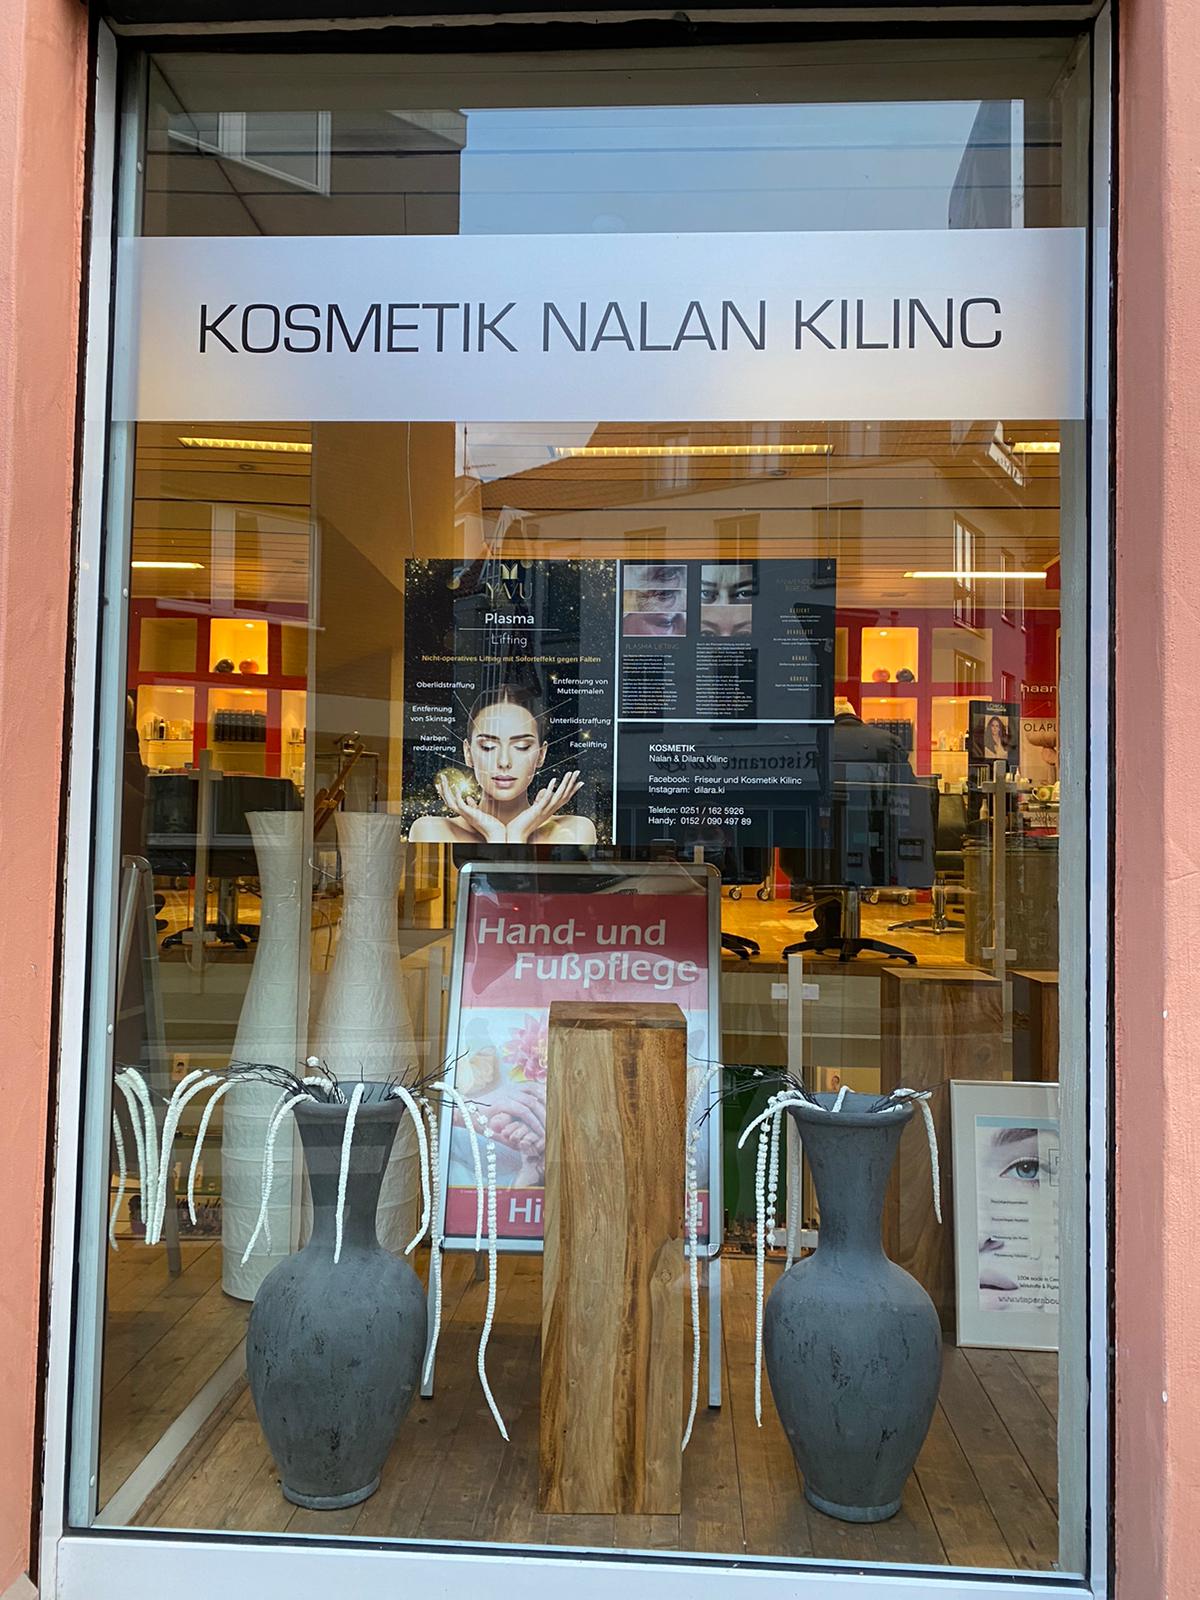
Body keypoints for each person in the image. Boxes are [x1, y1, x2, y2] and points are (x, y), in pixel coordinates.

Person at [409, 685, 597, 846]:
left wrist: (518, 833)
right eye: (488, 746)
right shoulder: (432, 830)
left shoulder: (574, 831)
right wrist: (495, 833)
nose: (504, 762)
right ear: (468, 753)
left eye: (521, 747)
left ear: (541, 755)